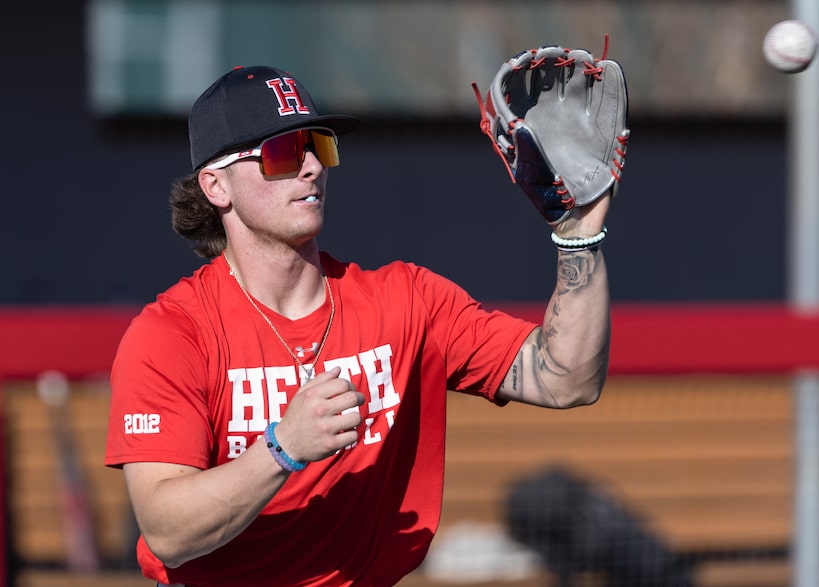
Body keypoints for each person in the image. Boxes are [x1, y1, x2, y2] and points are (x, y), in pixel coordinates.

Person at [105, 63, 613, 587]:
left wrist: (579, 233)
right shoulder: (172, 334)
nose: (310, 168)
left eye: (318, 146)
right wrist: (281, 447)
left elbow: (565, 377)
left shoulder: (406, 300)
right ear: (216, 185)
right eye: (281, 153)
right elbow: (167, 532)